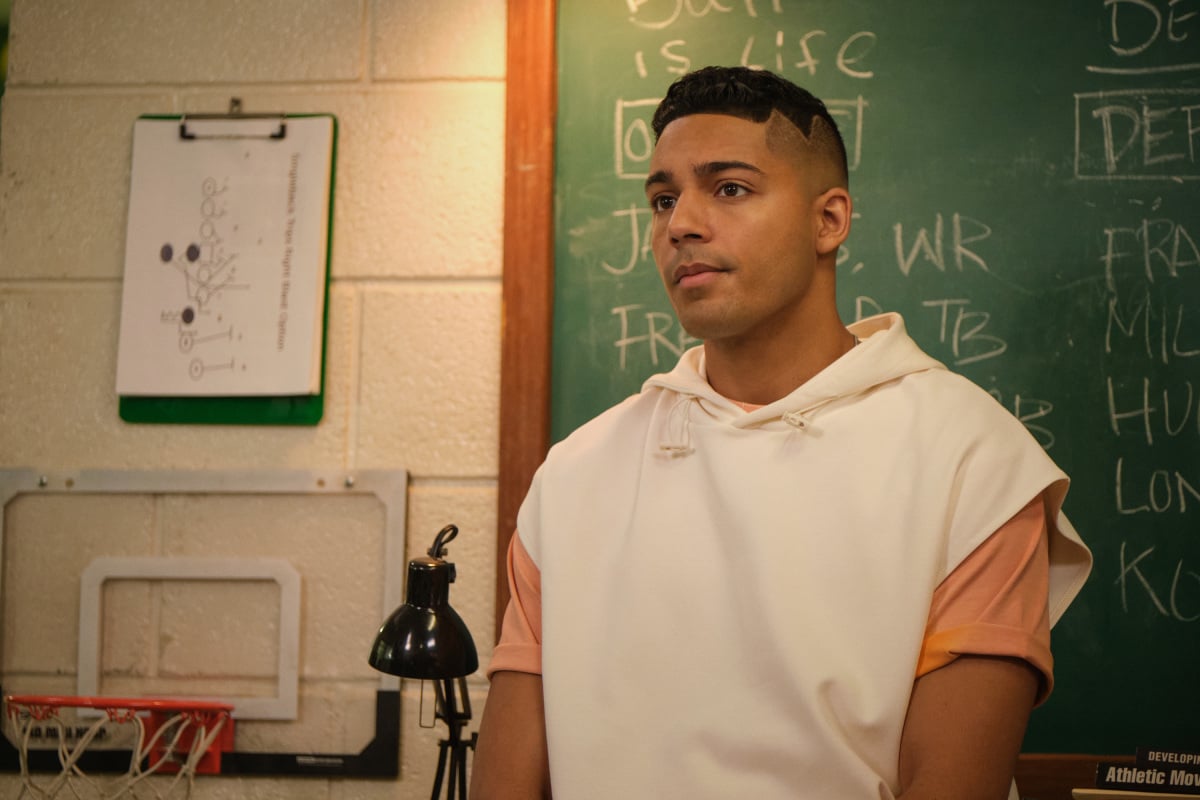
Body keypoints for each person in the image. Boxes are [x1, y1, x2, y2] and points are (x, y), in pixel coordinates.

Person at [470, 66, 1092, 800]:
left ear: (828, 220)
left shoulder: (974, 463)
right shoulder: (574, 476)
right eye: (663, 198)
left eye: (729, 188)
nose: (681, 224)